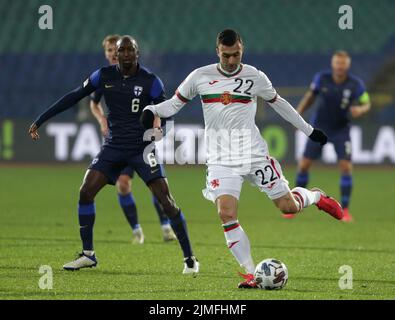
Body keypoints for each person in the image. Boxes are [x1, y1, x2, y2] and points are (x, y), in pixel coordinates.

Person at [141, 29, 342, 288]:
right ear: (218, 51)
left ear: (242, 49)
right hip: (220, 159)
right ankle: (251, 274)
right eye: (226, 55)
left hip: (253, 154)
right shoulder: (200, 76)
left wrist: (309, 130)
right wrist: (152, 109)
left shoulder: (255, 77)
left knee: (288, 207)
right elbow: (173, 104)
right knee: (226, 213)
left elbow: (279, 103)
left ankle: (315, 196)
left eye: (236, 54)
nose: (232, 60)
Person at [28, 35, 199, 274]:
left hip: (142, 148)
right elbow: (74, 96)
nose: (126, 54)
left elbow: (168, 113)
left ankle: (189, 258)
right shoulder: (103, 76)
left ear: (137, 53)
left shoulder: (151, 81)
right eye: (122, 50)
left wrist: (160, 132)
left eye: (131, 50)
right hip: (113, 147)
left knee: (166, 202)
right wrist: (41, 120)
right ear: (115, 54)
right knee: (85, 191)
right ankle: (88, 254)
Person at [90, 34, 176, 243]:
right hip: (118, 142)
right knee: (123, 184)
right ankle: (137, 230)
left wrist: (156, 125)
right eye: (109, 51)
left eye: (115, 50)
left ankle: (166, 226)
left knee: (155, 186)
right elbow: (93, 103)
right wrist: (102, 120)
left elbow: (157, 105)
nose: (112, 54)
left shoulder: (142, 78)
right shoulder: (105, 78)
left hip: (140, 141)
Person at [293, 51, 371, 222]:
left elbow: (366, 102)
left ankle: (346, 209)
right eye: (337, 63)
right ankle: (295, 203)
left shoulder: (356, 85)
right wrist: (297, 114)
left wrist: (361, 109)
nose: (339, 66)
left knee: (346, 167)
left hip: (341, 130)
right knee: (304, 164)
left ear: (347, 66)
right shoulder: (322, 78)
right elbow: (310, 97)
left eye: (343, 64)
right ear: (332, 64)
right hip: (320, 127)